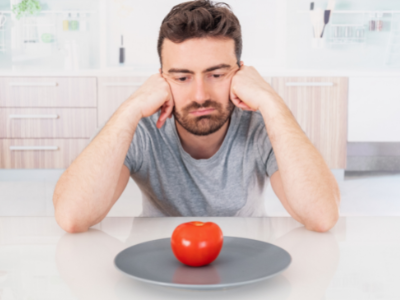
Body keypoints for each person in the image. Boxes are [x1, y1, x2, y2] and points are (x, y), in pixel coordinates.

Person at [53, 0, 340, 233]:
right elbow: (72, 217)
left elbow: (322, 216)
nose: (200, 94)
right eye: (182, 77)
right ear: (162, 79)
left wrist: (270, 99)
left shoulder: (261, 124)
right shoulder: (140, 127)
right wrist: (131, 107)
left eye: (216, 74)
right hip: (160, 259)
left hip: (248, 257)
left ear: (240, 73)